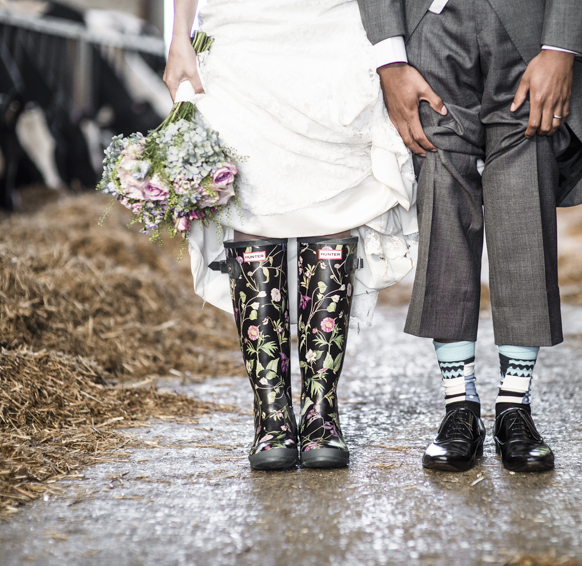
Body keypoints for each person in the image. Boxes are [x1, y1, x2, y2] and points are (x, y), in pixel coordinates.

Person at [162, 0, 418, 471]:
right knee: (251, 204)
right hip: (242, 35)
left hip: (331, 31)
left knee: (333, 200)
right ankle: (272, 416)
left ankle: (322, 411)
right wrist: (180, 35)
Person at [356, 0, 582, 472]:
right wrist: (389, 57)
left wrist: (561, 45)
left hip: (531, 28)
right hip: (429, 29)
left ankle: (515, 403)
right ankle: (459, 405)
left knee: (523, 201)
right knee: (441, 196)